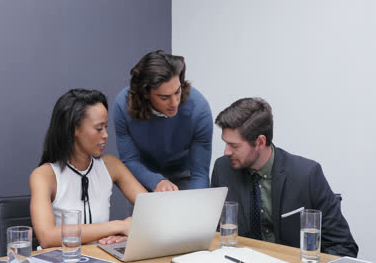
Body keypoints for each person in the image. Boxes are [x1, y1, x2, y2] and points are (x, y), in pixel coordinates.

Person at [210, 97, 358, 257]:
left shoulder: (307, 175)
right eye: (225, 143)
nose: (226, 152)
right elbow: (213, 234)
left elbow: (344, 247)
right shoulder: (222, 169)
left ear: (260, 142)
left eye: (234, 146)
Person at [29, 89, 147, 248]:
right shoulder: (44, 175)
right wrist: (118, 226)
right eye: (99, 128)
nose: (105, 135)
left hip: (101, 257)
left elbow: (150, 211)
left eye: (106, 127)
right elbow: (47, 237)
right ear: (74, 130)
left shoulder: (112, 166)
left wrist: (122, 234)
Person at [113, 50, 213, 192]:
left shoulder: (199, 109)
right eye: (164, 97)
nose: (174, 103)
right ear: (146, 93)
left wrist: (195, 205)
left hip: (185, 176)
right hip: (143, 177)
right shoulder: (123, 106)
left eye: (177, 92)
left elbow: (200, 174)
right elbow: (130, 160)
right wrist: (157, 181)